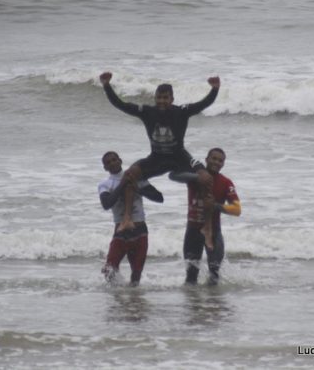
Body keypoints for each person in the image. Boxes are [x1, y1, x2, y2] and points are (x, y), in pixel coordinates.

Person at [99, 71, 219, 249]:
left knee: (206, 177)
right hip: (156, 158)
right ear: (155, 98)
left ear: (172, 98)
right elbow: (121, 105)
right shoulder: (147, 112)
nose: (162, 101)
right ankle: (127, 219)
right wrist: (107, 85)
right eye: (159, 98)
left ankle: (207, 227)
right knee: (131, 174)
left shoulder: (182, 112)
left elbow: (204, 104)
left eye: (165, 98)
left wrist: (215, 89)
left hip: (179, 157)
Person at [170, 148, 241, 285]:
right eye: (214, 158)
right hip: (193, 231)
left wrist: (216, 206)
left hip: (214, 231)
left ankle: (213, 305)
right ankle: (193, 305)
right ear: (206, 159)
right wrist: (197, 177)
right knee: (191, 277)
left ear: (223, 164)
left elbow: (237, 209)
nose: (217, 162)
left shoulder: (226, 182)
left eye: (220, 160)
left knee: (214, 275)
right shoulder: (193, 177)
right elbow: (172, 175)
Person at [98, 151, 163, 286]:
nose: (112, 163)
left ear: (120, 161)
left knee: (137, 272)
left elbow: (159, 197)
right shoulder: (105, 184)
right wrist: (123, 184)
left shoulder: (137, 178)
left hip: (139, 228)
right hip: (121, 229)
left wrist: (138, 188)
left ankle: (134, 300)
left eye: (114, 160)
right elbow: (106, 204)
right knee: (109, 269)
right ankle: (117, 295)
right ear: (105, 168)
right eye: (108, 162)